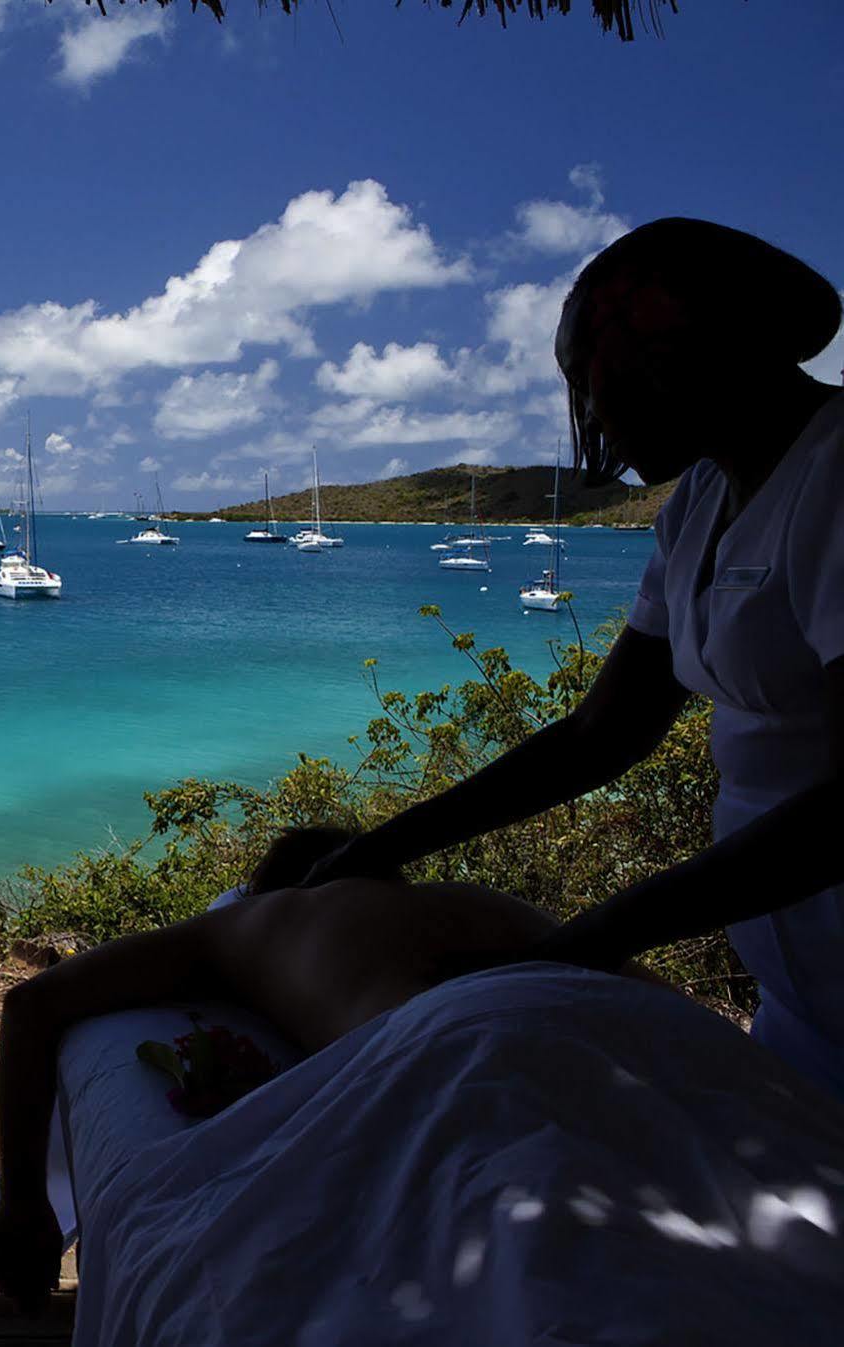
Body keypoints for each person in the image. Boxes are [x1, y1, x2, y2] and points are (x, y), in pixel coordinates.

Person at [299, 218, 844, 1096]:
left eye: (599, 380)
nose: (591, 414)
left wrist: (592, 936)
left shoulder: (834, 475)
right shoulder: (701, 499)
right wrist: (377, 845)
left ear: (679, 358)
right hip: (802, 1004)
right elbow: (602, 731)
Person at [0, 829, 659, 1312]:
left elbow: (31, 1002)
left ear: (263, 890)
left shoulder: (261, 918)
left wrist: (24, 1202)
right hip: (653, 1038)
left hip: (466, 1059)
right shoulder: (480, 899)